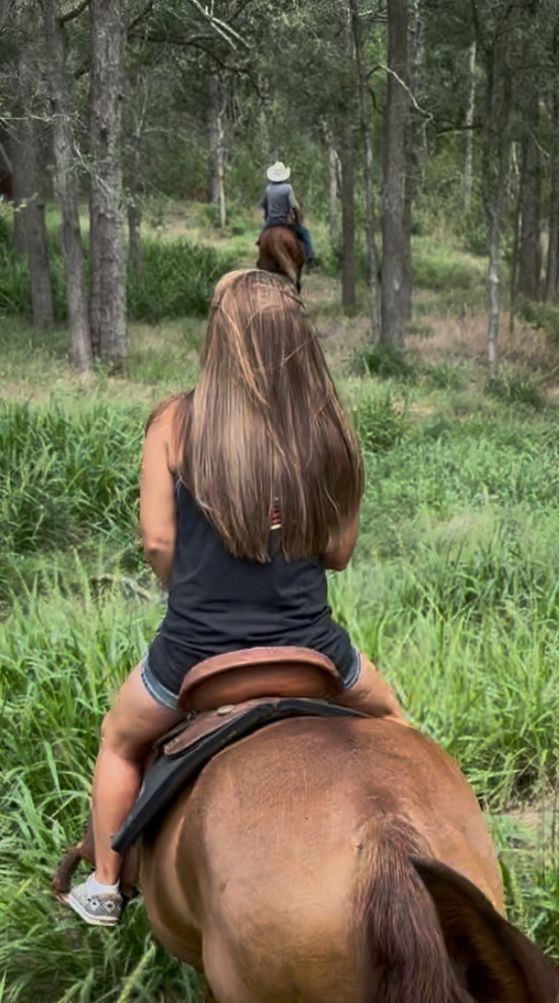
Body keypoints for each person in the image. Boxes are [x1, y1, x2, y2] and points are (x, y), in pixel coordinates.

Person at [64, 268, 403, 929]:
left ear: (220, 340)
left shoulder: (174, 422)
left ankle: (104, 884)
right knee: (393, 720)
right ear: (297, 341)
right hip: (311, 651)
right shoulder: (328, 431)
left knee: (119, 739)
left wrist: (190, 589)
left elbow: (159, 542)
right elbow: (337, 554)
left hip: (194, 654)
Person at [260, 159, 316, 269]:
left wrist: (267, 217)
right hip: (284, 222)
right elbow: (294, 206)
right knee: (305, 234)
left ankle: (261, 258)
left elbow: (264, 205)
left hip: (270, 222)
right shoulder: (288, 188)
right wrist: (298, 219)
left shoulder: (268, 189)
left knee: (261, 238)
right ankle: (310, 258)